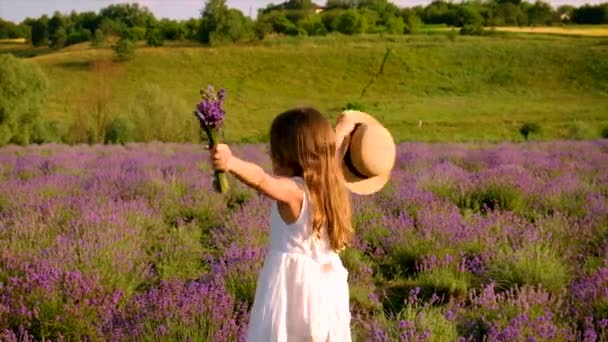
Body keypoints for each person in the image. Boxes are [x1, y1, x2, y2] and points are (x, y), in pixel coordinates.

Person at [209, 107, 355, 341]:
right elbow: (332, 150)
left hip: (294, 290)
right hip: (327, 289)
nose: (270, 154)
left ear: (286, 155)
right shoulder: (329, 182)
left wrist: (231, 162)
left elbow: (261, 179)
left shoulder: (294, 192)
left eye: (274, 150)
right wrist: (343, 129)